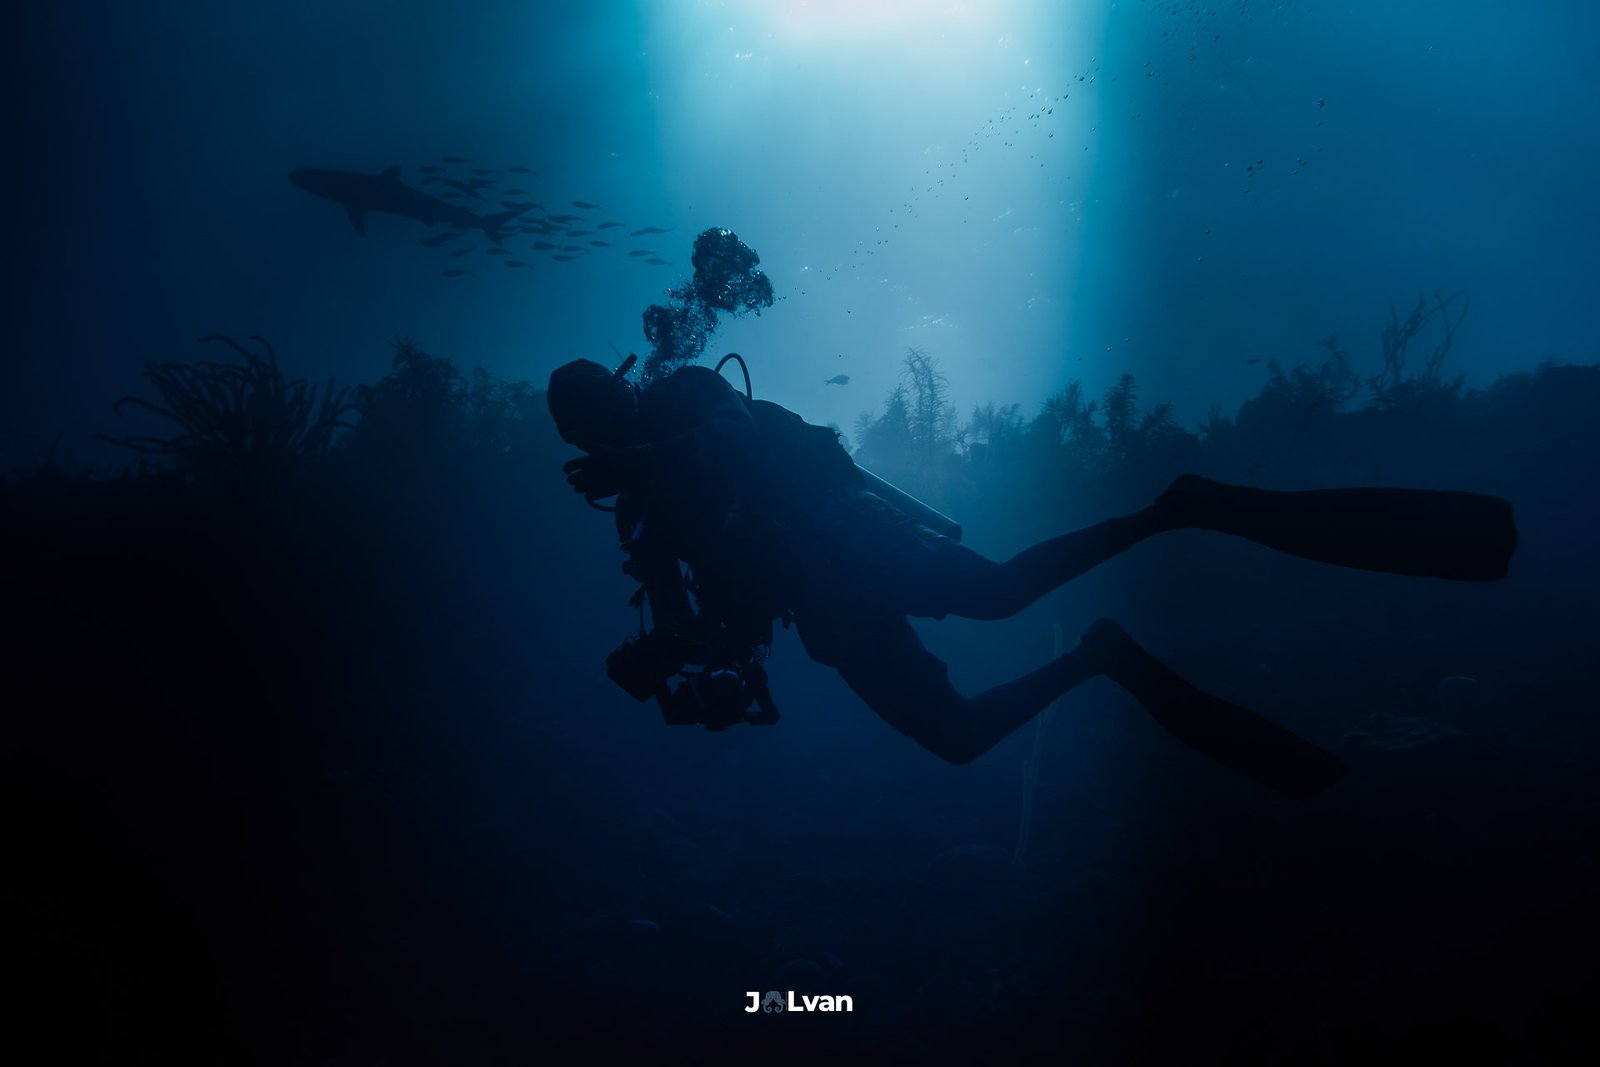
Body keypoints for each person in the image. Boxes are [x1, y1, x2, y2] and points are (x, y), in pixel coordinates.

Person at [548, 355, 1519, 795]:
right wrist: (664, 658)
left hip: (844, 537)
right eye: (587, 434)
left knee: (1002, 590)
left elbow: (729, 441)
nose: (605, 435)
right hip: (822, 612)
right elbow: (700, 618)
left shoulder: (687, 395)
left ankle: (1168, 508)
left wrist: (651, 460)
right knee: (958, 736)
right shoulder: (643, 514)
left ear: (622, 390)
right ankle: (1098, 657)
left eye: (602, 414)